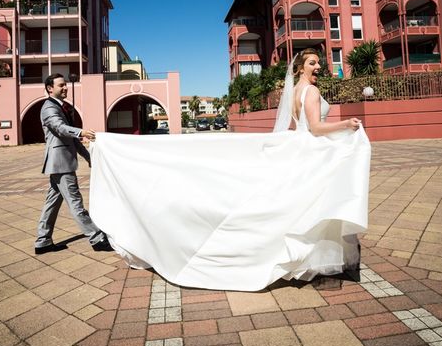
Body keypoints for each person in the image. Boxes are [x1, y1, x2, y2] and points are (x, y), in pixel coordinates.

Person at [88, 51, 370, 291]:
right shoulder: (312, 91)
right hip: (312, 151)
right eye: (312, 63)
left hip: (299, 146)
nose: (318, 67)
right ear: (299, 68)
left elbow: (299, 127)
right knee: (310, 204)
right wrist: (346, 125)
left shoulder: (296, 91)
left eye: (318, 63)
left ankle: (299, 255)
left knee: (298, 204)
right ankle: (298, 256)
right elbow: (317, 129)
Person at [35, 73, 112, 255]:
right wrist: (82, 132)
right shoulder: (49, 108)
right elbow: (60, 128)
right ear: (50, 88)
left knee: (52, 203)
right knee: (76, 202)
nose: (65, 88)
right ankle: (96, 237)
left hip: (61, 163)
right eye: (61, 85)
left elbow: (72, 140)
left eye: (66, 85)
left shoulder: (60, 107)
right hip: (61, 163)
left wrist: (88, 156)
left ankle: (43, 241)